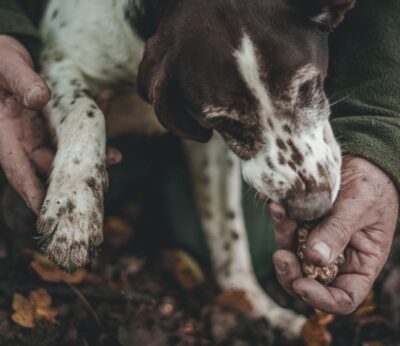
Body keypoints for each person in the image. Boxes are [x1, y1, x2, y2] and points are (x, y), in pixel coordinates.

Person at [0, 0, 398, 315]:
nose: (307, 182)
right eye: (235, 124)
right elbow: (62, 66)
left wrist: (380, 141)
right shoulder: (104, 25)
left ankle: (237, 278)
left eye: (305, 88)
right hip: (129, 87)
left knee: (270, 251)